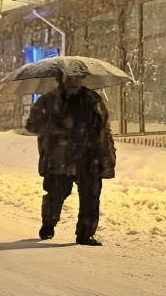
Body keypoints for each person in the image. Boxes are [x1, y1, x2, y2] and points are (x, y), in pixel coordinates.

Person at [25, 73, 116, 246]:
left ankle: (85, 234)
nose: (75, 81)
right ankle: (48, 223)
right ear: (61, 79)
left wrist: (108, 155)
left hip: (89, 156)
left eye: (78, 77)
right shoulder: (48, 101)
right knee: (56, 194)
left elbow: (104, 129)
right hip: (59, 157)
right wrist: (57, 126)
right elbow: (32, 125)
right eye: (70, 77)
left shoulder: (92, 100)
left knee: (91, 197)